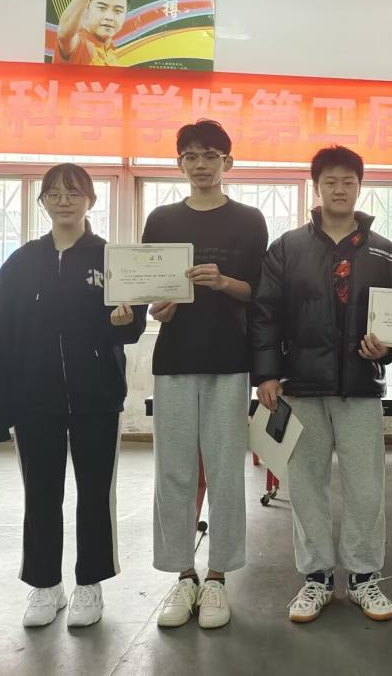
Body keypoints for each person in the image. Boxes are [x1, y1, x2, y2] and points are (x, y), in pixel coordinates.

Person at [0, 163, 147, 628]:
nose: (63, 201)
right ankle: (44, 585)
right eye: (53, 194)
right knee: (40, 493)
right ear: (42, 203)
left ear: (91, 200)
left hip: (97, 396)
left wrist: (123, 323)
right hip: (34, 400)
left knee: (95, 493)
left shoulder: (111, 258)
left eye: (73, 193)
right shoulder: (20, 263)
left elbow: (133, 324)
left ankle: (90, 584)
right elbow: (1, 335)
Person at [251, 145, 392, 624]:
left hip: (360, 386)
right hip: (302, 385)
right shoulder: (287, 247)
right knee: (306, 485)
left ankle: (362, 577)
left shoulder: (383, 251)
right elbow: (265, 313)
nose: (339, 189)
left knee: (366, 486)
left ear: (360, 187)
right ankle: (315, 577)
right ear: (316, 187)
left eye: (348, 182)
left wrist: (386, 350)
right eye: (330, 182)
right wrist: (266, 374)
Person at [143, 119, 268, 630]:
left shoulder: (249, 220)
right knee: (173, 471)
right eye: (191, 156)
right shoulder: (161, 219)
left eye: (210, 156)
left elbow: (259, 292)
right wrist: (159, 307)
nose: (200, 165)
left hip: (229, 359)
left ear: (227, 162)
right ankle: (183, 575)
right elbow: (149, 291)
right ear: (180, 164)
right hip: (174, 359)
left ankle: (217, 577)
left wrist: (224, 282)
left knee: (224, 471)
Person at [52, 0, 132, 66]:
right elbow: (64, 34)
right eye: (102, 8)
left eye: (118, 11)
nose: (109, 17)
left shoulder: (112, 53)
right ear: (86, 10)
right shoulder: (81, 45)